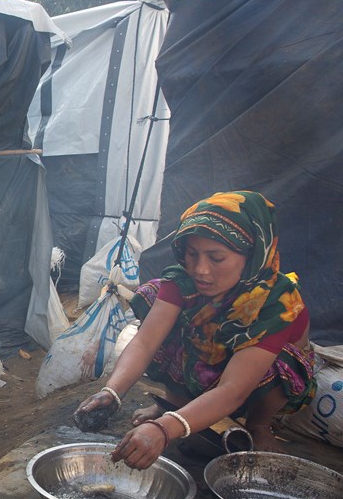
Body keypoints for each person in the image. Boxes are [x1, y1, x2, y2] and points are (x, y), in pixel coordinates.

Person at [74, 190, 316, 470]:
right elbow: (146, 343)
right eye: (192, 254)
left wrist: (164, 430)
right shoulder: (183, 280)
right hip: (208, 360)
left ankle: (259, 425)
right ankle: (173, 404)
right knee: (160, 305)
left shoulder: (277, 303)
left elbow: (234, 389)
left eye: (216, 257)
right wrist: (112, 392)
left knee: (283, 362)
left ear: (250, 254)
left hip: (254, 376)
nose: (200, 269)